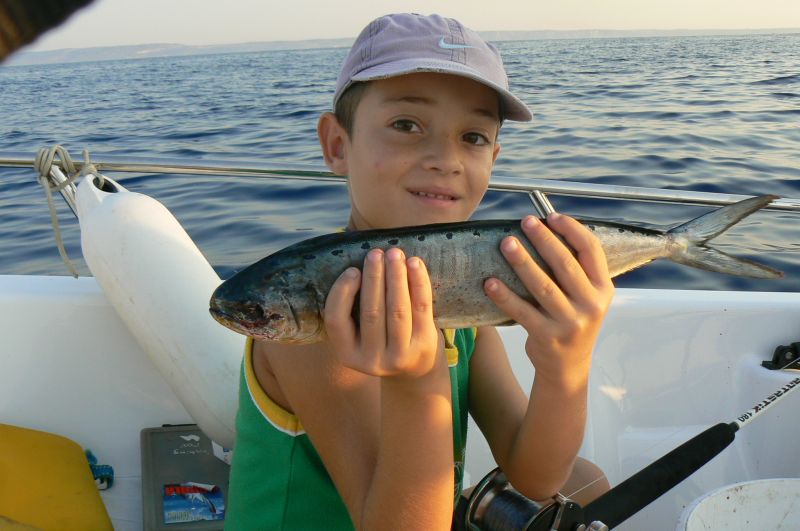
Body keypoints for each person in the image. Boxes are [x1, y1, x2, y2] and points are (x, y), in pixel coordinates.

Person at [225, 13, 614, 530]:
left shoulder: (459, 301)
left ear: (493, 158)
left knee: (586, 480)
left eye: (472, 137)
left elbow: (535, 479)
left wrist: (567, 367)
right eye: (407, 125)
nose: (444, 158)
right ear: (338, 145)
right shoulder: (319, 317)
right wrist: (416, 381)